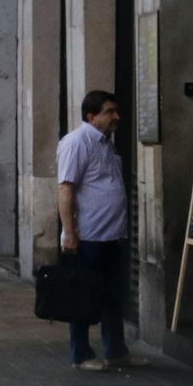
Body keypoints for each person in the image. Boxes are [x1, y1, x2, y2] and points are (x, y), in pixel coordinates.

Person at [56, 88, 131, 371]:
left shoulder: (105, 143)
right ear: (91, 116)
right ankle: (81, 353)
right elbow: (66, 188)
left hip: (112, 233)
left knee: (113, 294)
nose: (116, 117)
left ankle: (116, 350)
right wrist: (70, 232)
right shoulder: (77, 142)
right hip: (89, 235)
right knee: (83, 295)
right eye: (109, 112)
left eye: (116, 111)